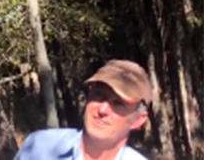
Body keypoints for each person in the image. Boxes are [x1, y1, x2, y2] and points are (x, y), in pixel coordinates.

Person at [14, 59, 152, 160]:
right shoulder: (39, 146)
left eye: (118, 104)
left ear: (138, 120)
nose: (103, 110)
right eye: (99, 96)